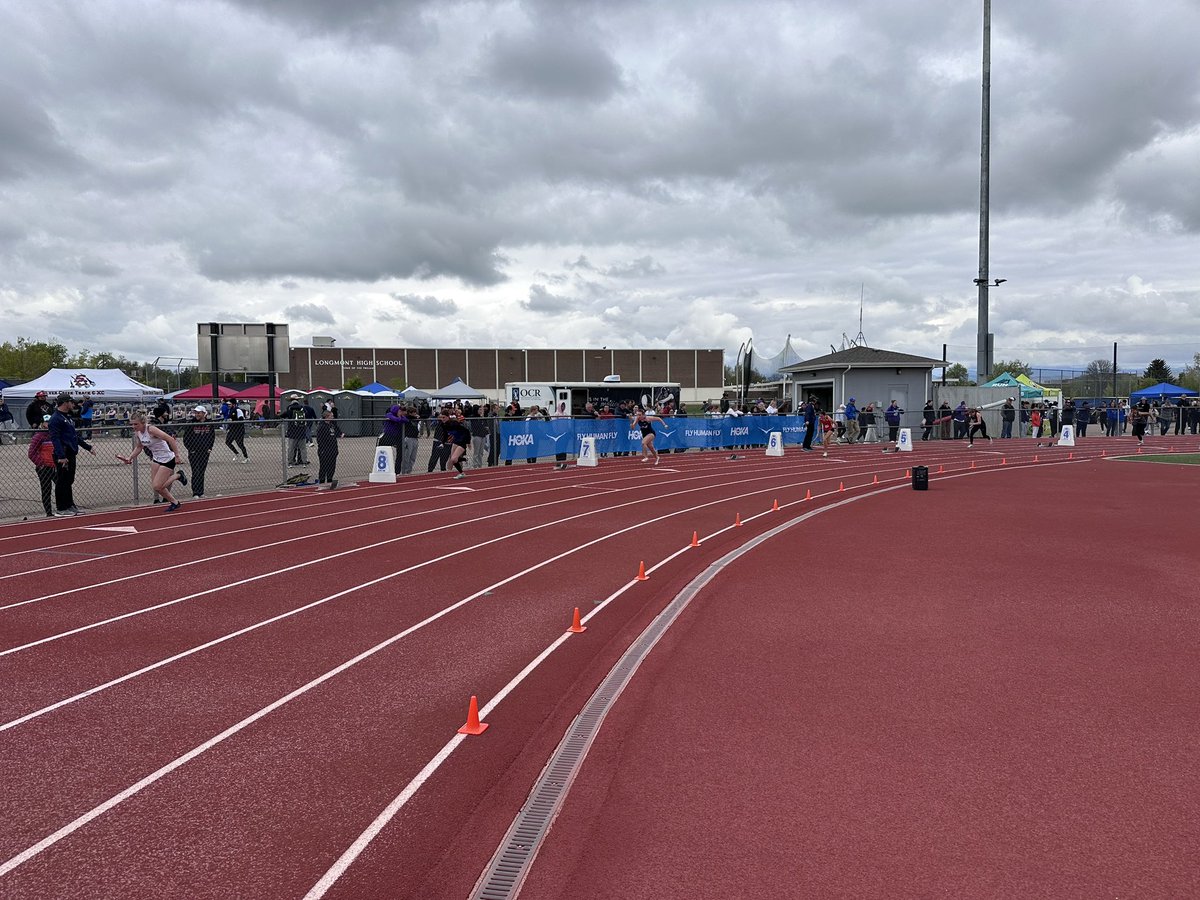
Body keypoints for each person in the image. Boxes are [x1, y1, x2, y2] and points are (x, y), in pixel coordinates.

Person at [117, 412, 187, 510]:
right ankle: (175, 502)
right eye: (132, 424)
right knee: (156, 487)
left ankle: (178, 475)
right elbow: (139, 447)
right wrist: (130, 457)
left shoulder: (151, 429)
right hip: (156, 459)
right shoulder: (138, 433)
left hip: (167, 459)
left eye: (136, 424)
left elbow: (170, 439)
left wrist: (177, 456)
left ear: (143, 423)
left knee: (158, 486)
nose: (133, 426)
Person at [47, 393, 96, 516]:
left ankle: (69, 504)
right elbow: (55, 438)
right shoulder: (56, 419)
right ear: (65, 403)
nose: (73, 404)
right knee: (62, 480)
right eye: (70, 402)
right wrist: (61, 456)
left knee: (69, 480)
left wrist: (87, 447)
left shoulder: (67, 417)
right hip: (63, 453)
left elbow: (75, 436)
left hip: (71, 452)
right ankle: (61, 507)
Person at [181, 405, 216, 498]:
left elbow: (212, 436)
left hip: (205, 451)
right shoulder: (191, 423)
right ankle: (195, 492)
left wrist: (210, 448)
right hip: (194, 451)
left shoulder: (209, 423)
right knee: (195, 471)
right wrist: (191, 449)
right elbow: (186, 438)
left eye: (199, 413)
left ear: (204, 414)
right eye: (196, 413)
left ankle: (201, 492)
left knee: (201, 472)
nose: (197, 414)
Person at [28, 415, 58, 516]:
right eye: (46, 422)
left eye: (49, 422)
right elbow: (31, 453)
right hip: (44, 467)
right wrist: (41, 463)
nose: (48, 424)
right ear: (42, 423)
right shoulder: (38, 436)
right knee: (46, 489)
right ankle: (48, 512)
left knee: (61, 486)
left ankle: (61, 507)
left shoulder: (54, 434)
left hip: (55, 465)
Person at [440, 408, 472, 479]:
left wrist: (468, 442)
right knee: (453, 459)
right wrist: (442, 443)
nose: (442, 419)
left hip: (462, 441)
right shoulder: (443, 425)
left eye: (444, 417)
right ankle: (465, 461)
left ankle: (462, 472)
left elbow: (466, 431)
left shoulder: (454, 423)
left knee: (454, 459)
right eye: (441, 417)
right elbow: (445, 434)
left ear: (448, 417)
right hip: (455, 441)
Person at [315, 409, 343, 488]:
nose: (333, 417)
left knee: (332, 466)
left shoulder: (332, 425)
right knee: (324, 466)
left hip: (333, 449)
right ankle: (322, 481)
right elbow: (319, 440)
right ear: (327, 417)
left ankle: (330, 479)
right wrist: (323, 449)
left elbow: (337, 432)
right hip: (324, 450)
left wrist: (341, 434)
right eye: (331, 416)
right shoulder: (321, 427)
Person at [285, 398, 310, 466]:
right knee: (303, 448)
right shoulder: (302, 408)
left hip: (292, 432)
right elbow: (307, 415)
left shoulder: (289, 409)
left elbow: (284, 415)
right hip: (301, 431)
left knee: (291, 448)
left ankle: (291, 461)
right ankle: (304, 461)